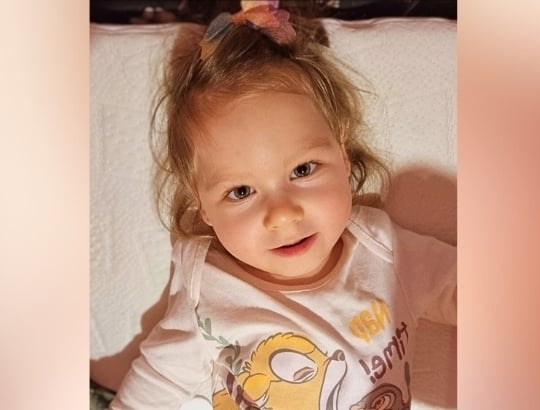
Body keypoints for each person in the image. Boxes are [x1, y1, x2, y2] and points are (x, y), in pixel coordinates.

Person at [110, 1, 456, 409]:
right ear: (203, 206)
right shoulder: (210, 293)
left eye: (303, 170)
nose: (283, 214)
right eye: (241, 192)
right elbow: (154, 389)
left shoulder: (382, 250)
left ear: (344, 158)